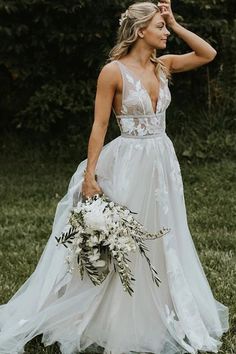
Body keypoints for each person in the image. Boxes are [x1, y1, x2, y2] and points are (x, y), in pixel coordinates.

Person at [0, 1, 229, 354]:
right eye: (160, 27)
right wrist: (90, 176)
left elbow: (208, 53)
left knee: (164, 231)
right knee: (125, 237)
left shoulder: (164, 66)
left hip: (161, 161)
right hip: (128, 162)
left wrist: (174, 20)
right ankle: (119, 313)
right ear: (141, 32)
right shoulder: (112, 72)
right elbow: (99, 125)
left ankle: (164, 302)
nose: (166, 32)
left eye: (165, 27)